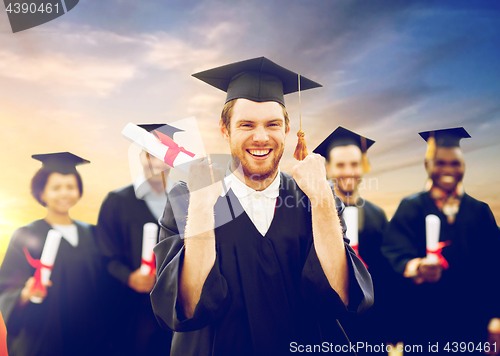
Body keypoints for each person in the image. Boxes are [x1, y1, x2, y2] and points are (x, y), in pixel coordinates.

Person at [150, 57, 374, 356]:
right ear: (225, 129)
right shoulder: (188, 197)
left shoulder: (314, 198)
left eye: (272, 124)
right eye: (246, 124)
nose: (260, 137)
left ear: (287, 130)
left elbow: (342, 296)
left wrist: (321, 196)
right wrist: (203, 205)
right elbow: (188, 306)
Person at [382, 127, 500, 353]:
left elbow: (495, 266)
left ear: (464, 165)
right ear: (428, 166)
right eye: (440, 162)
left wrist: (496, 316)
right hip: (424, 326)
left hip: (471, 326)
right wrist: (416, 268)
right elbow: (392, 252)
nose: (448, 169)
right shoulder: (411, 207)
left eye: (455, 163)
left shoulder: (480, 211)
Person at [0, 152, 108, 356]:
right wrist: (25, 294)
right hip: (44, 339)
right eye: (56, 188)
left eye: (70, 186)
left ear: (79, 191)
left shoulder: (93, 233)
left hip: (91, 337)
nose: (64, 193)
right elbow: (5, 286)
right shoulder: (26, 234)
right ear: (42, 193)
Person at [313, 126, 402, 350]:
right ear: (328, 167)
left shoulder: (376, 215)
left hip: (372, 328)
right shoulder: (314, 214)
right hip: (329, 327)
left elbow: (387, 278)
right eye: (341, 165)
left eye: (354, 164)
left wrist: (392, 328)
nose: (348, 171)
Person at [96, 124, 174, 356]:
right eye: (150, 153)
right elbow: (104, 254)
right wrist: (129, 277)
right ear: (141, 156)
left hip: (175, 309)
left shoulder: (185, 200)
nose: (156, 161)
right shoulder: (117, 201)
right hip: (132, 311)